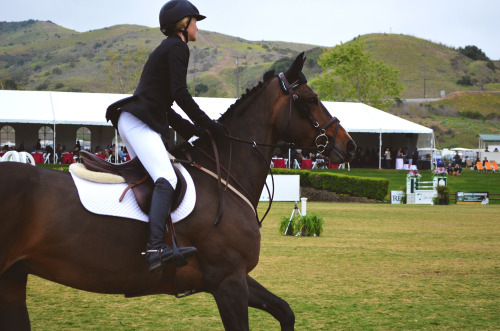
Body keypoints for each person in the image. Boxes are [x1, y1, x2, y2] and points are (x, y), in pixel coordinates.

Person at [106, 0, 224, 272]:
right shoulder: (178, 47)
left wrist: (195, 131)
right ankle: (155, 248)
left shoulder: (169, 47)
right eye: (195, 21)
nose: (197, 26)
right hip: (138, 122)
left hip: (135, 120)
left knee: (150, 180)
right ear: (184, 24)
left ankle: (146, 240)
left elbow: (168, 107)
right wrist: (208, 125)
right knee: (167, 178)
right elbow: (181, 94)